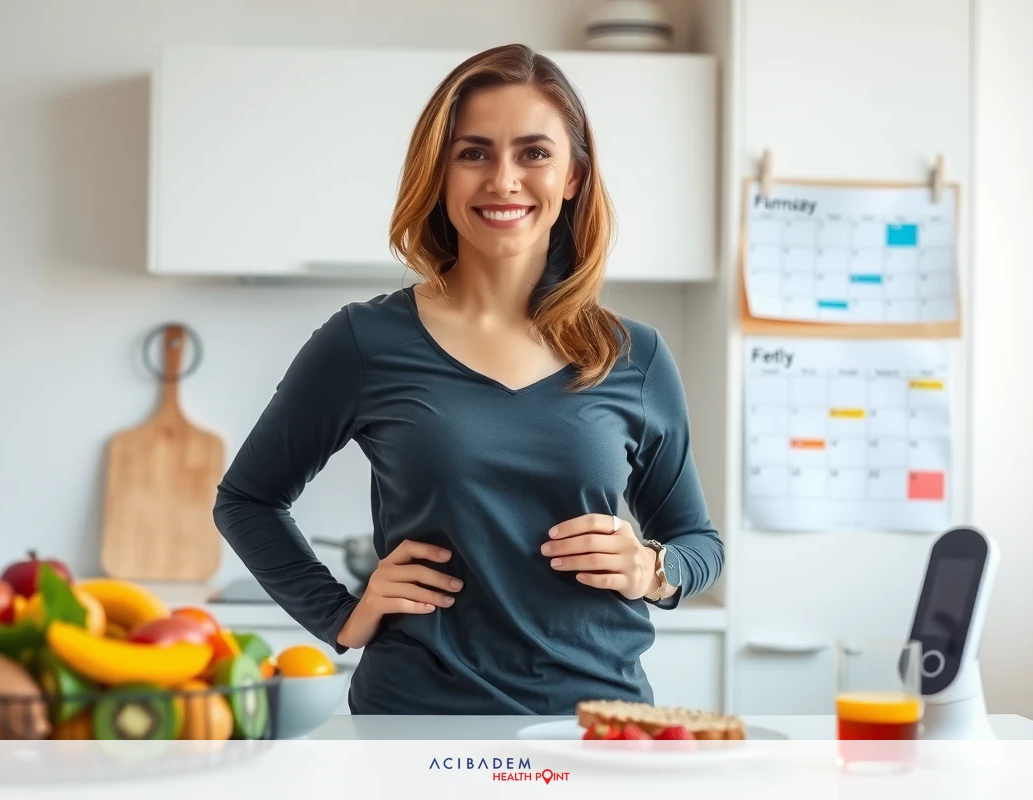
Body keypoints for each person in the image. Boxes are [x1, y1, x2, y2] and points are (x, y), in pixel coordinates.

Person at [213, 43, 723, 716]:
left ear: (572, 175)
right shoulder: (364, 342)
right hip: (415, 724)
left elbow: (699, 545)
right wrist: (339, 615)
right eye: (474, 153)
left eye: (534, 153)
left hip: (595, 727)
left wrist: (654, 569)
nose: (503, 180)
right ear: (440, 173)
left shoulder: (633, 355)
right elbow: (246, 499)